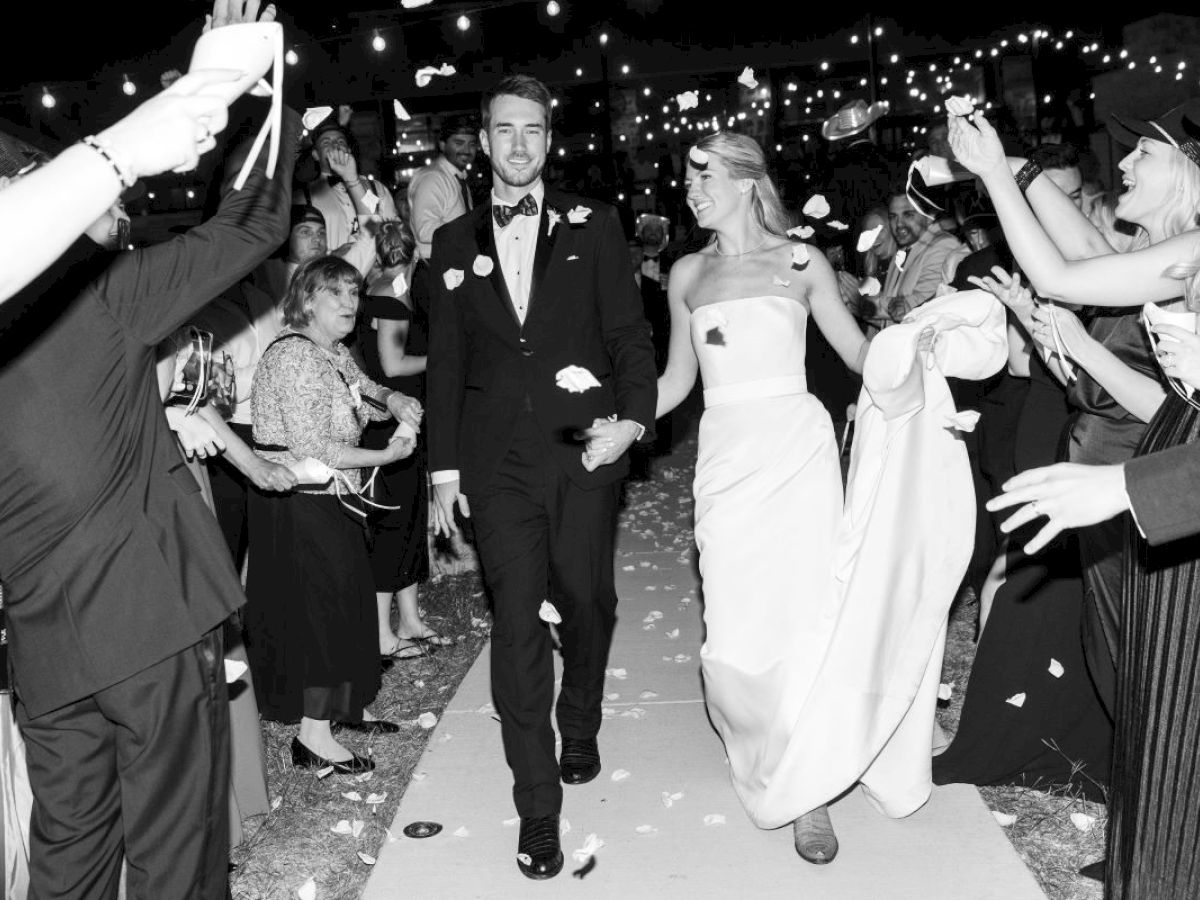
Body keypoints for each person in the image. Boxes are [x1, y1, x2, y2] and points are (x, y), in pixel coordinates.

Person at [0, 2, 297, 894]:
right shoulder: (99, 297)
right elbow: (252, 228)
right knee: (177, 852)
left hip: (44, 654)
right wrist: (258, 89)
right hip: (149, 628)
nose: (115, 202)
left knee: (71, 857)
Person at [952, 95, 1200, 900]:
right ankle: (1154, 846)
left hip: (1165, 470)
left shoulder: (1188, 254)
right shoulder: (1173, 253)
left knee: (1166, 686)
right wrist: (1009, 165)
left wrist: (997, 173)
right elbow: (1076, 264)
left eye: (1145, 153)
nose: (1121, 162)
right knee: (1138, 674)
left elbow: (1066, 272)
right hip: (1160, 462)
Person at [426, 74, 657, 880]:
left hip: (583, 448)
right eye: (503, 131)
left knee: (586, 599)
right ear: (483, 142)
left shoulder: (595, 224)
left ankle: (582, 711)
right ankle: (537, 810)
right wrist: (443, 472)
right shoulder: (451, 245)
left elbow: (628, 334)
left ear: (547, 140)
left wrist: (632, 420)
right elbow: (446, 367)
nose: (518, 144)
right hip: (498, 470)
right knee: (517, 622)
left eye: (532, 130)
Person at [244, 255, 422, 774]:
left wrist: (393, 398)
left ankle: (345, 707)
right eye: (336, 294)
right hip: (300, 501)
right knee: (321, 613)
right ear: (306, 300)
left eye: (353, 293)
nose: (350, 304)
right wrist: (385, 456)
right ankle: (312, 737)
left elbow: (363, 395)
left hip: (331, 497)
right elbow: (312, 445)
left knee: (346, 602)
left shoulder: (332, 351)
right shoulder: (295, 358)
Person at [0, 69, 239, 305]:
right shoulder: (79, 286)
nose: (120, 213)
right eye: (105, 205)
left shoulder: (111, 267)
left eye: (121, 205)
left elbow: (122, 243)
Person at [357, 218, 444, 659]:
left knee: (410, 520)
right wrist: (441, 358)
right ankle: (380, 634)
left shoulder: (393, 287)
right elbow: (391, 366)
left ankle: (409, 620)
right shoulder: (387, 295)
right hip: (389, 421)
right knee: (393, 524)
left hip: (408, 416)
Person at [299, 117, 397, 256]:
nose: (335, 145)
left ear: (349, 150)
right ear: (316, 154)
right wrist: (332, 255)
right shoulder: (306, 195)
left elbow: (391, 229)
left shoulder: (375, 188)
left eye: (340, 141)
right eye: (326, 142)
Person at [878, 190, 965, 323]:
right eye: (893, 217)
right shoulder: (902, 252)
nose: (899, 224)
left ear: (929, 217)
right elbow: (890, 320)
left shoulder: (943, 245)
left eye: (908, 215)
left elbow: (922, 304)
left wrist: (864, 304)